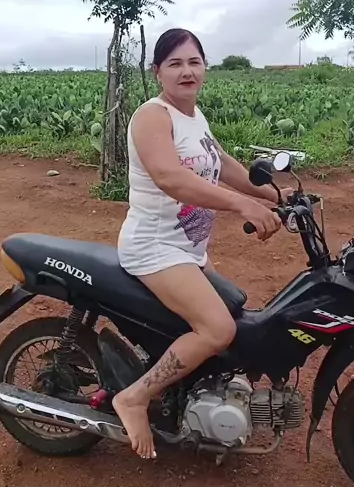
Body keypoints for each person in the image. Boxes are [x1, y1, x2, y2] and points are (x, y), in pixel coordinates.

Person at [113, 28, 289, 460]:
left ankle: (196, 391)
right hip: (154, 248)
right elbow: (170, 177)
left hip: (188, 250)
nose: (186, 71)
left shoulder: (194, 116)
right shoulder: (152, 116)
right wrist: (242, 205)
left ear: (205, 67)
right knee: (218, 329)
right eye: (175, 63)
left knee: (235, 308)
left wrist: (276, 195)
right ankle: (134, 398)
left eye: (193, 62)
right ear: (157, 72)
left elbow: (222, 164)